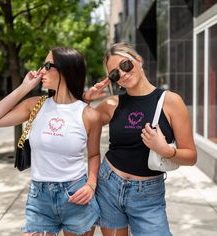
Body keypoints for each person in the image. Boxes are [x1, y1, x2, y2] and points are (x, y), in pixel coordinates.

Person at [0, 46, 102, 236]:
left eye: (48, 65)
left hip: (76, 194)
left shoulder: (89, 115)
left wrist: (91, 184)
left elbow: (94, 154)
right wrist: (25, 87)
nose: (41, 70)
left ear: (66, 70)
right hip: (39, 197)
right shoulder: (35, 105)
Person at [84, 42, 197, 236]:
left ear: (139, 60)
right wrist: (86, 99)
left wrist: (165, 150)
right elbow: (78, 124)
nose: (123, 73)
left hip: (148, 195)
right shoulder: (112, 103)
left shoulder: (171, 101)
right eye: (114, 73)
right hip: (109, 185)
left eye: (125, 65)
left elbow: (191, 156)